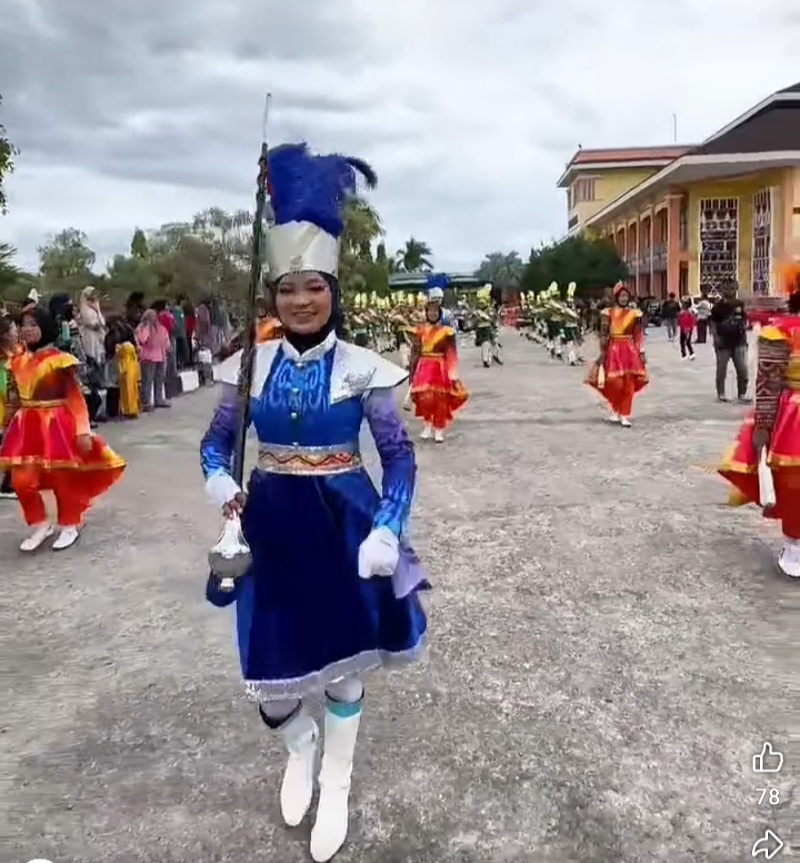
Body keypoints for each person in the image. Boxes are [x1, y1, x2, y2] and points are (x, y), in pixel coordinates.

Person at [200, 142, 427, 862]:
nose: (300, 300)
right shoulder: (247, 365)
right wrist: (219, 481)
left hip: (342, 518)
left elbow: (397, 455)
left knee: (346, 663)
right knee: (269, 675)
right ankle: (298, 745)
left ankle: (338, 776)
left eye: (314, 287)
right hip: (268, 521)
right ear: (272, 295)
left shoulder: (366, 368)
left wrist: (388, 526)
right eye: (287, 288)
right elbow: (215, 443)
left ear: (334, 290)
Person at [0, 307, 125, 550]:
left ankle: (70, 523)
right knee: (21, 480)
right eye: (24, 324)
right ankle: (40, 523)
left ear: (44, 327)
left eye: (33, 324)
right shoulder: (16, 360)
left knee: (63, 478)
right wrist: (6, 425)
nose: (27, 328)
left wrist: (82, 430)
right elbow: (14, 397)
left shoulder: (58, 359)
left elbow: (75, 397)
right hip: (26, 425)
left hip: (56, 423)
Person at [718, 264, 800, 577]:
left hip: (791, 416)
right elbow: (769, 382)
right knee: (793, 486)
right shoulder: (779, 330)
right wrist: (764, 424)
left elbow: (766, 381)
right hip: (792, 416)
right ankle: (795, 544)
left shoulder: (779, 328)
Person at [409, 286, 468, 442]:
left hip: (439, 369)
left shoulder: (446, 332)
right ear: (427, 313)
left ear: (439, 313)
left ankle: (439, 429)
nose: (432, 314)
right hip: (423, 369)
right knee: (425, 400)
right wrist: (412, 371)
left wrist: (453, 374)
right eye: (430, 311)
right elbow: (415, 351)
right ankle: (427, 426)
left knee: (440, 401)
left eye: (435, 311)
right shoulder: (420, 331)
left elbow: (451, 354)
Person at [586, 282, 648, 427]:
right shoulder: (608, 313)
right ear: (616, 297)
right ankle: (614, 408)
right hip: (613, 349)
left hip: (629, 350)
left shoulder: (635, 313)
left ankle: (624, 414)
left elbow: (638, 334)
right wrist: (602, 351)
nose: (624, 298)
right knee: (615, 383)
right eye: (621, 296)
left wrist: (642, 351)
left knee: (629, 384)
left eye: (626, 296)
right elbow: (603, 333)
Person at [711, 292, 750, 403]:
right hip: (723, 342)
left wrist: (743, 331)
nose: (729, 290)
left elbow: (744, 320)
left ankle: (742, 394)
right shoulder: (718, 307)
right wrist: (716, 338)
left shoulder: (740, 304)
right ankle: (721, 394)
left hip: (739, 342)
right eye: (727, 288)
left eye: (731, 287)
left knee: (742, 369)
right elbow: (713, 323)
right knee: (721, 369)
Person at [78, 286, 108, 423]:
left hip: (99, 344)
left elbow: (102, 322)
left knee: (101, 379)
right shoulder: (84, 309)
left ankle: (101, 410)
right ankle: (93, 412)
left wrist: (97, 309)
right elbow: (92, 323)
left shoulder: (95, 307)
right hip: (89, 344)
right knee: (92, 379)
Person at [0, 314, 21, 498]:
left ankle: (10, 480)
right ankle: (8, 483)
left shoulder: (18, 352)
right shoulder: (4, 359)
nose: (18, 332)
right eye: (14, 329)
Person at [135, 309, 171, 411]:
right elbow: (142, 339)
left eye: (155, 316)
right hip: (148, 358)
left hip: (161, 356)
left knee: (159, 380)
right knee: (147, 381)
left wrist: (167, 348)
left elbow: (166, 340)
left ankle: (158, 399)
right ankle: (145, 402)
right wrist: (146, 326)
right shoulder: (142, 328)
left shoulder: (161, 328)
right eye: (151, 316)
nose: (154, 318)